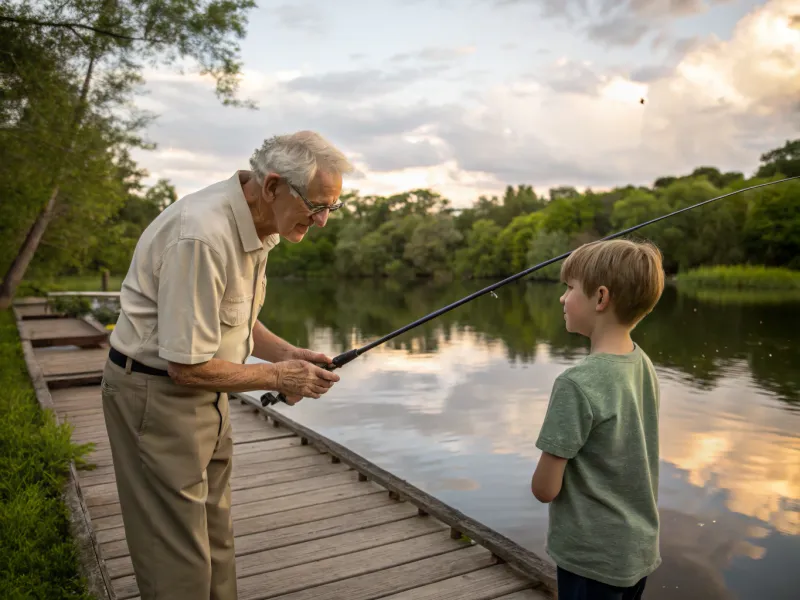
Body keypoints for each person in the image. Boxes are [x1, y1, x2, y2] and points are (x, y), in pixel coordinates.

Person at [100, 131, 353, 600]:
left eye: (330, 209)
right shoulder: (202, 235)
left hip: (208, 394)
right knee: (177, 556)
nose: (321, 221)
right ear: (274, 186)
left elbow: (235, 319)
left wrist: (287, 355)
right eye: (316, 206)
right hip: (158, 397)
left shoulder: (262, 223)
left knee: (216, 543)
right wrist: (279, 377)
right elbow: (185, 366)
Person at [530, 239, 665, 600]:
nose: (562, 298)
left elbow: (545, 489)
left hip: (591, 557)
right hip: (636, 551)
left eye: (569, 288)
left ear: (601, 298)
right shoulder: (642, 363)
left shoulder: (576, 384)